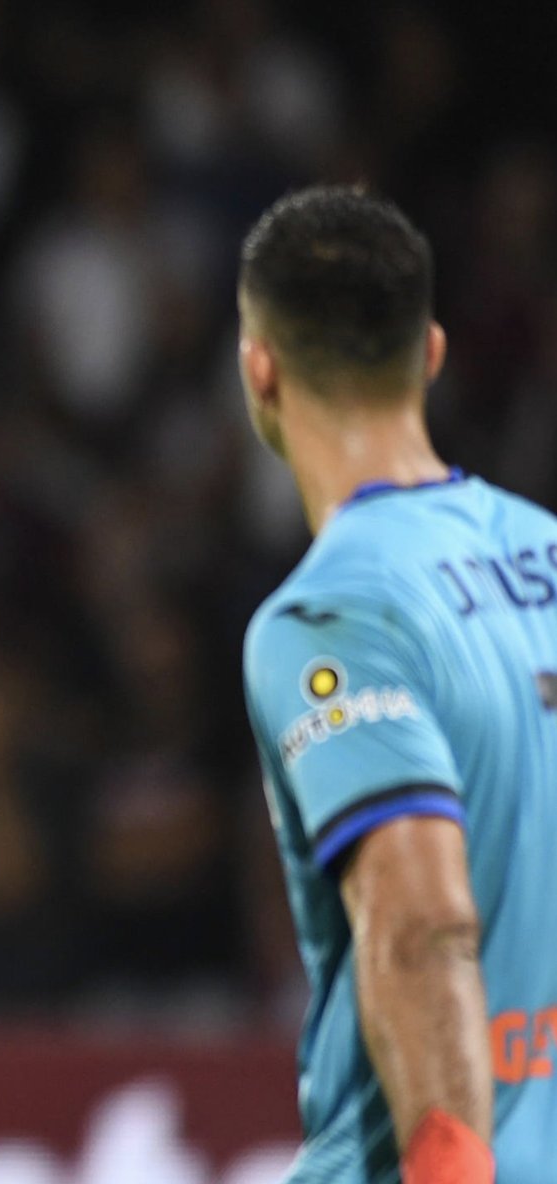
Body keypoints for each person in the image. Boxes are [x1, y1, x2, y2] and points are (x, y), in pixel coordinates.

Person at [235, 185, 557, 1184]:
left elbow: (418, 922)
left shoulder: (326, 614)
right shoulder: (548, 551)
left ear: (259, 368)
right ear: (432, 351)